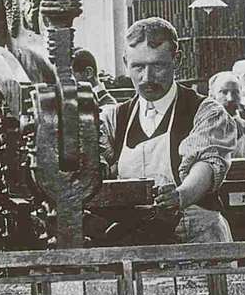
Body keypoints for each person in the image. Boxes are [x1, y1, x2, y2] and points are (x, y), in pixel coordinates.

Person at [100, 18, 237, 243]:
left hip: (200, 241)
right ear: (126, 63)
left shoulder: (206, 112)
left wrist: (181, 195)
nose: (147, 78)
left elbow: (208, 165)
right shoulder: (114, 118)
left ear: (177, 60)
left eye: (158, 66)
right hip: (140, 244)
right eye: (138, 67)